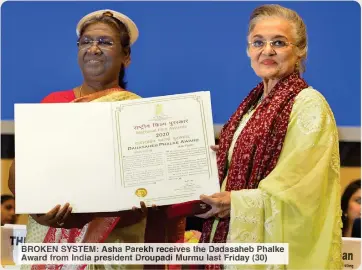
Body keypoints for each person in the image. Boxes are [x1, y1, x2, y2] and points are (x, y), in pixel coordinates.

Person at [7, 9, 188, 270]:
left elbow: (155, 193)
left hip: (116, 252)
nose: (93, 48)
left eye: (105, 42)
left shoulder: (140, 115)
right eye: (86, 42)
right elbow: (20, 173)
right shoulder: (53, 104)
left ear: (126, 56)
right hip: (51, 248)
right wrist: (38, 210)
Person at [195, 4, 343, 269]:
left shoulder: (308, 104)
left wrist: (237, 203)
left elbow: (301, 189)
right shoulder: (252, 106)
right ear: (248, 50)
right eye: (258, 42)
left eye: (279, 42)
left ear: (300, 51)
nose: (267, 51)